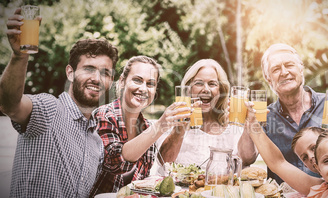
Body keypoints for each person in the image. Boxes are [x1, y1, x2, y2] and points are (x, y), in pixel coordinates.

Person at [0, 8, 119, 197]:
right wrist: (19, 56)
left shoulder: (96, 141)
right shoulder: (49, 109)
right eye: (89, 69)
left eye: (105, 73)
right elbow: (9, 104)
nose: (97, 78)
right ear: (70, 73)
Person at [238, 43, 328, 183]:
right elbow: (246, 158)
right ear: (269, 80)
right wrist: (248, 124)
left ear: (301, 69)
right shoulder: (265, 115)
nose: (284, 72)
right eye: (276, 69)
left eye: (289, 65)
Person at [89, 56, 191, 196]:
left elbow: (164, 165)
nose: (143, 89)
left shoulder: (147, 126)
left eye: (150, 84)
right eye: (137, 80)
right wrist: (160, 126)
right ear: (122, 81)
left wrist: (180, 129)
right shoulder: (104, 115)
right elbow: (115, 162)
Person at [244, 107, 328, 197]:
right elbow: (278, 163)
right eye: (327, 160)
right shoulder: (322, 189)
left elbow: (279, 163)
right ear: (318, 167)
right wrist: (253, 124)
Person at [156, 59, 249, 171]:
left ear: (221, 91)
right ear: (189, 89)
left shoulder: (233, 125)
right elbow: (164, 162)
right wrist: (180, 127)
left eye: (212, 84)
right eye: (199, 83)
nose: (206, 89)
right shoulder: (172, 119)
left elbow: (246, 161)